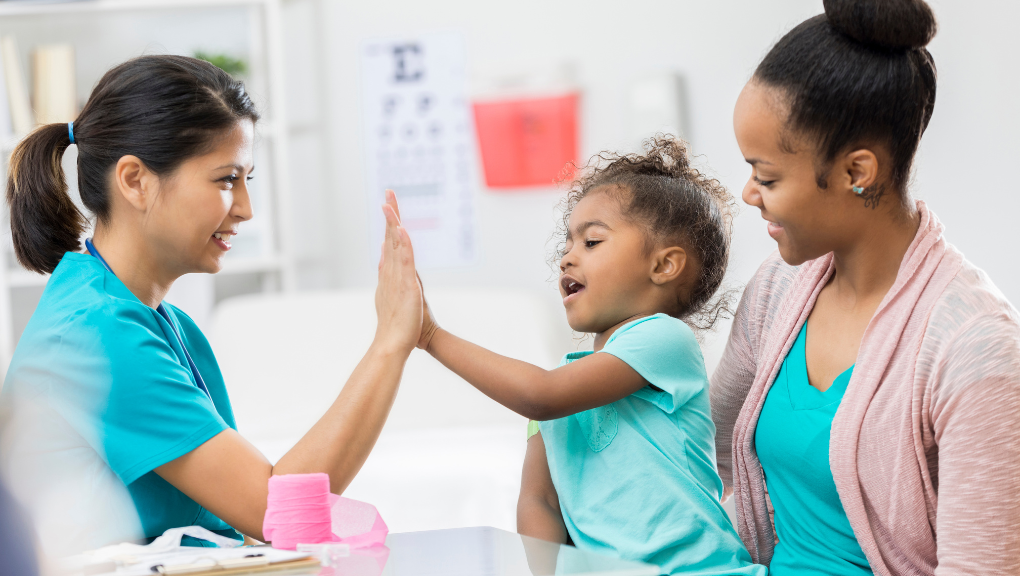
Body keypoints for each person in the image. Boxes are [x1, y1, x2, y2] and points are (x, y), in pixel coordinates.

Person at [0, 55, 423, 557]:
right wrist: (391, 345)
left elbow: (237, 519)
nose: (245, 208)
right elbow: (275, 512)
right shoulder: (94, 332)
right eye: (226, 179)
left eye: (248, 180)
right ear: (135, 181)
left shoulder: (165, 325)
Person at [712, 0, 1020, 574]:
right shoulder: (774, 295)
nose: (749, 194)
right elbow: (710, 453)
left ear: (857, 173)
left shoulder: (976, 349)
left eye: (768, 176)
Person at [416, 138, 765, 575]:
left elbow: (539, 394)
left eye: (592, 241)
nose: (566, 257)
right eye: (567, 243)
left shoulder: (662, 339)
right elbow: (538, 501)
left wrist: (430, 335)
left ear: (664, 266)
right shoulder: (561, 389)